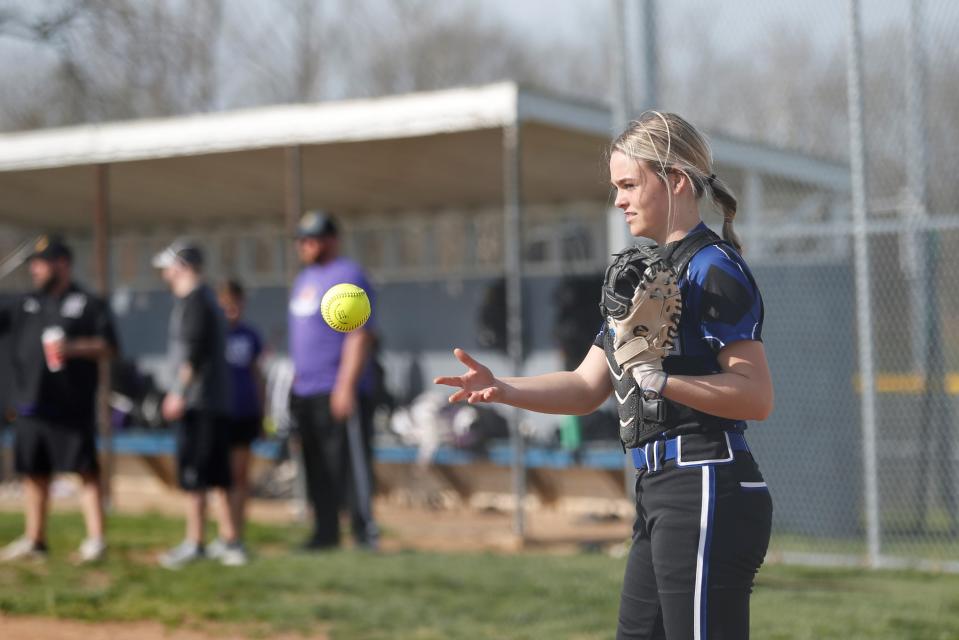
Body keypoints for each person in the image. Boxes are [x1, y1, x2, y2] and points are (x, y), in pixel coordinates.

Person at [436, 112, 774, 639]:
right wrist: (503, 388)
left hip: (707, 484)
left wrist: (660, 380)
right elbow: (586, 386)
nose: (618, 199)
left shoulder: (714, 268)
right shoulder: (646, 277)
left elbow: (755, 397)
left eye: (629, 184)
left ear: (677, 182)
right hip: (659, 487)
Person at [0, 236, 118, 564]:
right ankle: (35, 539)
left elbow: (109, 346)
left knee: (85, 471)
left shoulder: (87, 303)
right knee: (34, 473)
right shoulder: (25, 303)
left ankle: (96, 540)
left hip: (70, 405)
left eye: (41, 263)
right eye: (33, 264)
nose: (35, 270)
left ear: (62, 263)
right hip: (29, 404)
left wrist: (73, 348)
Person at [288, 210, 379, 550]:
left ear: (331, 240)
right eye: (301, 239)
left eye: (311, 239)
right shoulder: (304, 280)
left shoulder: (348, 276)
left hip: (337, 387)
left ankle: (363, 531)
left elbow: (359, 335)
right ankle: (324, 532)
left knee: (349, 462)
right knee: (316, 464)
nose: (305, 245)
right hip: (306, 389)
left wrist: (345, 386)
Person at [153, 240, 246, 568]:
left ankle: (198, 542)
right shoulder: (203, 300)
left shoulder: (195, 301)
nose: (165, 274)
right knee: (218, 475)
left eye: (168, 267)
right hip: (212, 402)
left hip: (200, 403)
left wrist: (178, 392)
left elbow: (193, 353)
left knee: (198, 476)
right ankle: (229, 540)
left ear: (182, 267)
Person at [216, 279, 265, 553]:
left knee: (240, 475)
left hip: (245, 413)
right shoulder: (215, 336)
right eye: (226, 304)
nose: (231, 309)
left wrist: (263, 413)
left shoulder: (250, 336)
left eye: (235, 303)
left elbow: (258, 376)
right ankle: (227, 533)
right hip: (221, 413)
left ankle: (236, 533)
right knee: (224, 477)